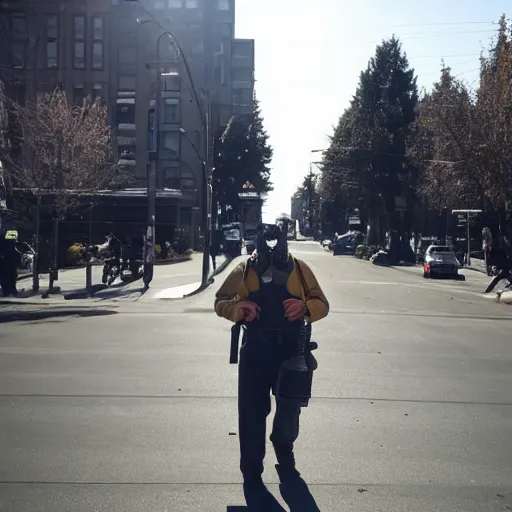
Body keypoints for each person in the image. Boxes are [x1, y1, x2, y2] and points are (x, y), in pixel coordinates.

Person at [214, 222, 329, 492]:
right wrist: (238, 309)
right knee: (252, 413)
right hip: (255, 347)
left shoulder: (299, 268)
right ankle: (251, 470)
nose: (272, 245)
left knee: (289, 410)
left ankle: (283, 447)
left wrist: (305, 308)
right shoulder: (244, 268)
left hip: (291, 349)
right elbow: (220, 301)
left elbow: (322, 303)